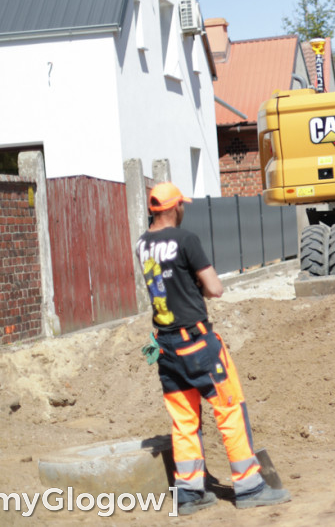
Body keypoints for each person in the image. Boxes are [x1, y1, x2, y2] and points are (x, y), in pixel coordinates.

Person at [135, 182, 291, 515]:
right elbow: (215, 288)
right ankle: (250, 487)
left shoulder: (142, 243)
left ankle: (190, 494)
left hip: (165, 346)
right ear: (175, 207)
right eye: (182, 205)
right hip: (197, 342)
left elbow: (170, 281)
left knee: (184, 421)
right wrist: (198, 286)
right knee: (229, 408)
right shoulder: (186, 239)